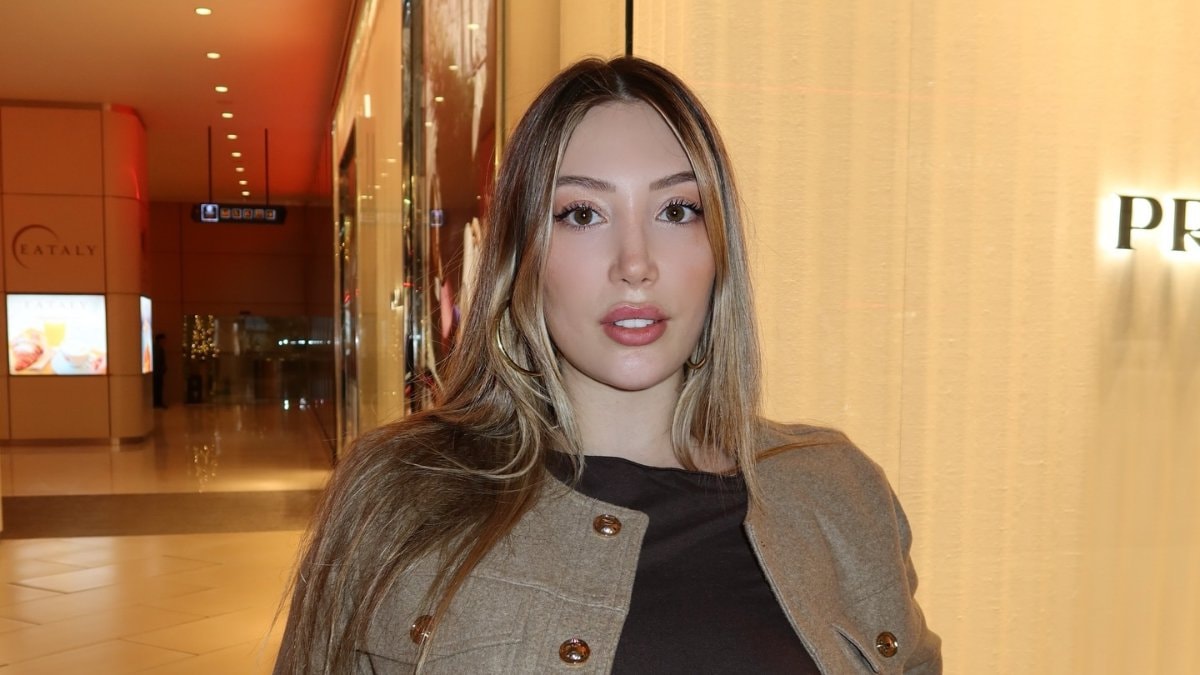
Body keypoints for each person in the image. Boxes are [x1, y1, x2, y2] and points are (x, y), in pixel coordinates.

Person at [274, 56, 941, 674]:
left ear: (719, 250)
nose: (635, 263)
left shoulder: (840, 490)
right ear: (521, 255)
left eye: (677, 210)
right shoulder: (401, 495)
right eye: (582, 214)